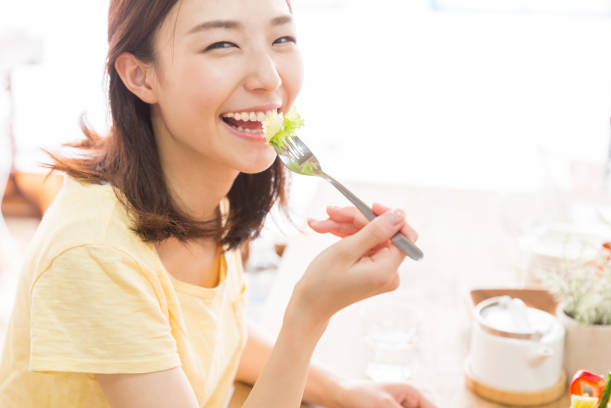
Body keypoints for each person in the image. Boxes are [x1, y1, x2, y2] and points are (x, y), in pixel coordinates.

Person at [0, 0, 435, 407]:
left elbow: (209, 332)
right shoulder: (94, 253)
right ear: (140, 76)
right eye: (221, 44)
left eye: (281, 39)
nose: (268, 77)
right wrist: (308, 313)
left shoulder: (206, 178)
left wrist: (340, 388)